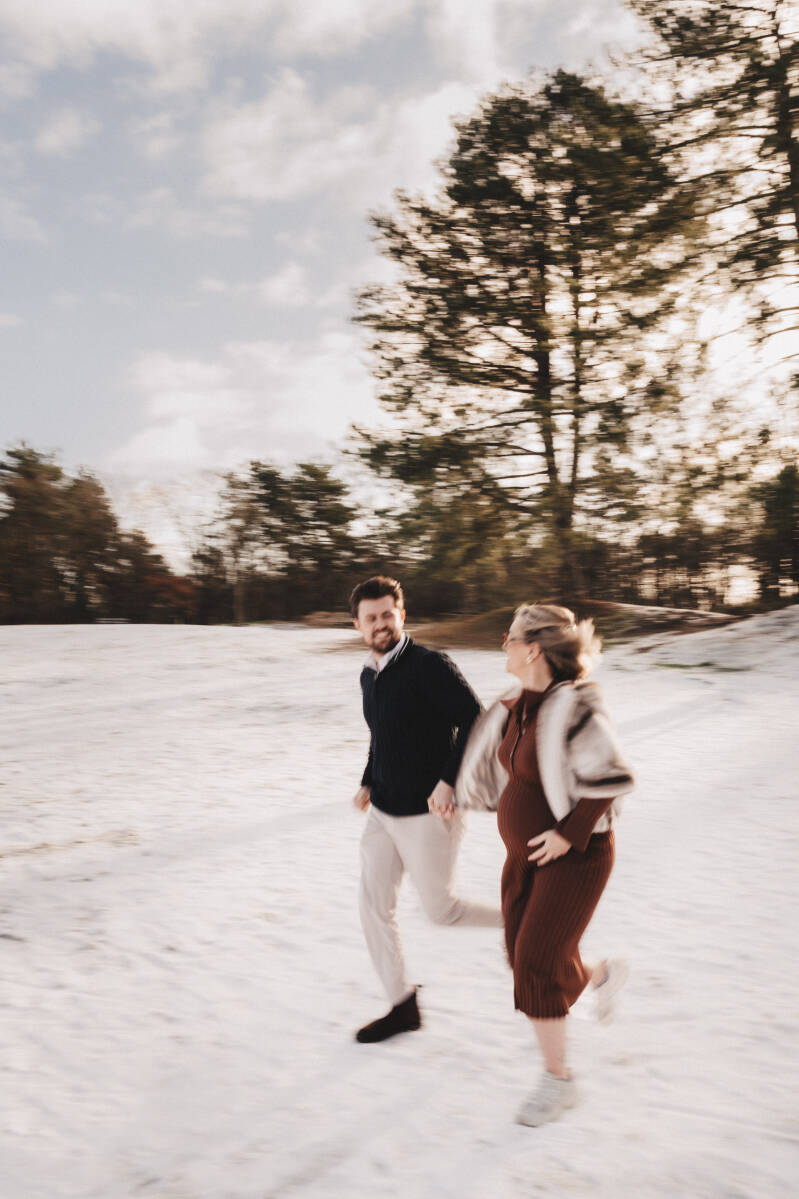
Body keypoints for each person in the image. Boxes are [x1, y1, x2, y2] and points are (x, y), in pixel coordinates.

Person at [494, 603, 635, 1126]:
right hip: (526, 856)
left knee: (535, 959)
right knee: (522, 954)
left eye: (510, 637)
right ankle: (600, 975)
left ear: (533, 649)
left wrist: (567, 834)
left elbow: (613, 776)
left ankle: (559, 1083)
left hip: (577, 856)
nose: (503, 643)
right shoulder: (522, 706)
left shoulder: (574, 706)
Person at [350, 575, 502, 1044]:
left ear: (402, 615)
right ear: (358, 625)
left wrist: (449, 781)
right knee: (373, 908)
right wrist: (368, 778)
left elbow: (475, 719)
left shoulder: (429, 665)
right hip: (383, 812)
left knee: (442, 911)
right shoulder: (369, 674)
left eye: (387, 614)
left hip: (430, 814)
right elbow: (381, 735)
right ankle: (402, 1006)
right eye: (371, 617)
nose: (380, 624)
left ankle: (523, 921)